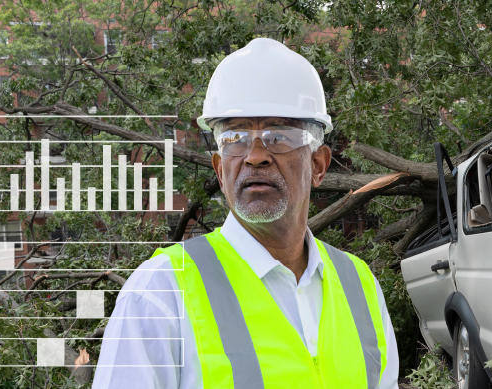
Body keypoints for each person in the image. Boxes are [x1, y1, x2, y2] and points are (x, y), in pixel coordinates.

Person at [93, 37, 399, 388]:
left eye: (278, 136)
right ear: (221, 170)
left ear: (318, 165)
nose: (255, 155)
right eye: (235, 138)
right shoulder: (162, 291)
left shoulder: (359, 286)